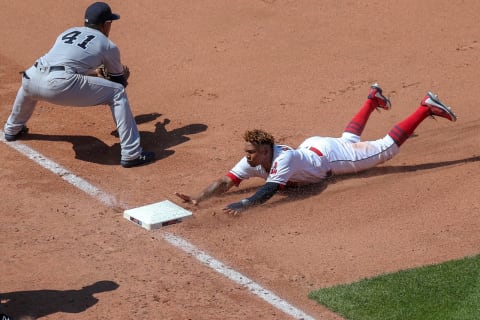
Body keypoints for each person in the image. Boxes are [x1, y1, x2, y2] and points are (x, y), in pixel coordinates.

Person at [175, 83, 457, 215]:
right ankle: (372, 100)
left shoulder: (282, 159)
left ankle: (425, 108)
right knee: (348, 140)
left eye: (251, 152)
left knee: (385, 150)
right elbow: (224, 181)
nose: (247, 156)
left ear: (264, 150)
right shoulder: (254, 159)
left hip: (330, 156)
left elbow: (269, 190)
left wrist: (245, 204)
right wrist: (200, 198)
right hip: (314, 147)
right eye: (247, 152)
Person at [3, 2, 155, 168]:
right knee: (117, 92)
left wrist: (94, 74)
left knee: (32, 81)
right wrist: (124, 77)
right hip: (58, 85)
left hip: (30, 76)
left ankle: (12, 129)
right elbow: (118, 82)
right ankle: (132, 153)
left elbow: (63, 65)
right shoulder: (107, 44)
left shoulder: (68, 32)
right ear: (106, 24)